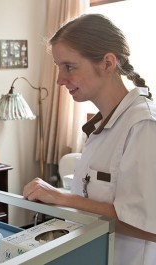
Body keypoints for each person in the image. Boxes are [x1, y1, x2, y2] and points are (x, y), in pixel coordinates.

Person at [22, 14, 156, 265]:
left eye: (69, 67)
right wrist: (56, 197)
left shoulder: (143, 126)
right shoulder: (105, 125)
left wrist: (61, 198)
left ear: (107, 63)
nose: (60, 80)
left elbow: (149, 226)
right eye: (58, 68)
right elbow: (98, 201)